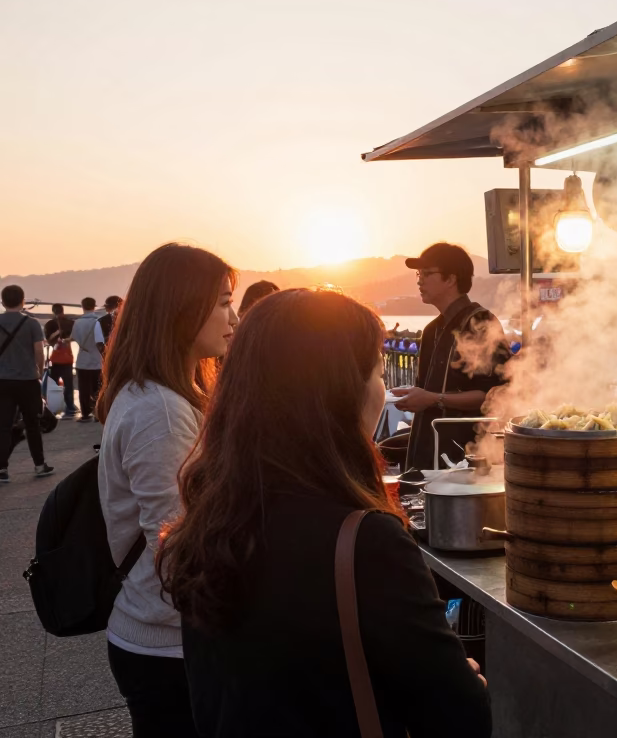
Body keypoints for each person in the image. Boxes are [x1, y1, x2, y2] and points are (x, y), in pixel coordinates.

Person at [158, 289, 492, 738]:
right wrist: (466, 679)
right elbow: (460, 715)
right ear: (340, 392)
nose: (382, 390)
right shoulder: (366, 540)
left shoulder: (210, 516)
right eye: (377, 372)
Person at [96, 244, 238, 737]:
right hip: (167, 646)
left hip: (162, 638)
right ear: (180, 307)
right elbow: (178, 550)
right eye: (222, 302)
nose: (234, 317)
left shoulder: (161, 396)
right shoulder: (159, 411)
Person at [393, 243, 510, 472]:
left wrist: (433, 399)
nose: (419, 281)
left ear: (451, 279)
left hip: (464, 457)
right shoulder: (431, 330)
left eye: (427, 274)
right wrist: (415, 396)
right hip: (426, 449)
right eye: (419, 274)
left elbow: (492, 395)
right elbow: (426, 392)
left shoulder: (480, 322)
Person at [0, 285, 54, 483]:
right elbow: (39, 352)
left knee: (3, 426)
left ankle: (2, 468)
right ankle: (40, 465)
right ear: (23, 301)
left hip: (2, 381)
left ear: (2, 302)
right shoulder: (31, 324)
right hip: (28, 381)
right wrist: (38, 372)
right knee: (32, 424)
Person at [71, 297, 105, 422]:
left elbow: (74, 338)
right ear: (94, 306)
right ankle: (98, 413)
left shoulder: (77, 322)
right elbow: (101, 341)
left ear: (82, 306)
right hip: (97, 360)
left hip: (82, 360)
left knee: (83, 388)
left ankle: (85, 414)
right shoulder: (98, 322)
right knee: (99, 388)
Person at [44, 303, 78, 418]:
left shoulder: (50, 324)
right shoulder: (70, 323)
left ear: (53, 311)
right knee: (68, 383)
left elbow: (48, 341)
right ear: (63, 311)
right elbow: (76, 337)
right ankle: (70, 406)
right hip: (67, 359)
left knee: (53, 383)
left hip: (55, 360)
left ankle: (52, 406)